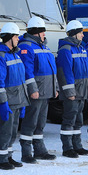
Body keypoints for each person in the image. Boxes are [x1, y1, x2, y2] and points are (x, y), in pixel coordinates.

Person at [17, 16, 58, 161]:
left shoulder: (43, 46)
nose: (44, 35)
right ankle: (26, 152)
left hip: (45, 91)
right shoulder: (26, 47)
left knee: (40, 123)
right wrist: (32, 89)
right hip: (36, 92)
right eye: (43, 32)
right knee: (30, 122)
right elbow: (27, 71)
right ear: (37, 32)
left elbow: (52, 70)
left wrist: (55, 87)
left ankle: (40, 150)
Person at [0, 22, 30, 169]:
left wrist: (23, 101)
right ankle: (1, 160)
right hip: (8, 102)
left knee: (12, 132)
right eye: (16, 36)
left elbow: (21, 79)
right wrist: (2, 103)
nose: (18, 39)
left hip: (17, 101)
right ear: (9, 38)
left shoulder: (15, 54)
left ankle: (8, 156)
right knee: (4, 131)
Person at [56, 20, 88, 157]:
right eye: (81, 33)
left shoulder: (81, 48)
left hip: (82, 91)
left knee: (78, 120)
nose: (83, 36)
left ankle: (77, 146)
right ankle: (67, 148)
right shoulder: (65, 50)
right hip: (73, 93)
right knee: (69, 119)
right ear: (74, 34)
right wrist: (70, 92)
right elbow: (65, 72)